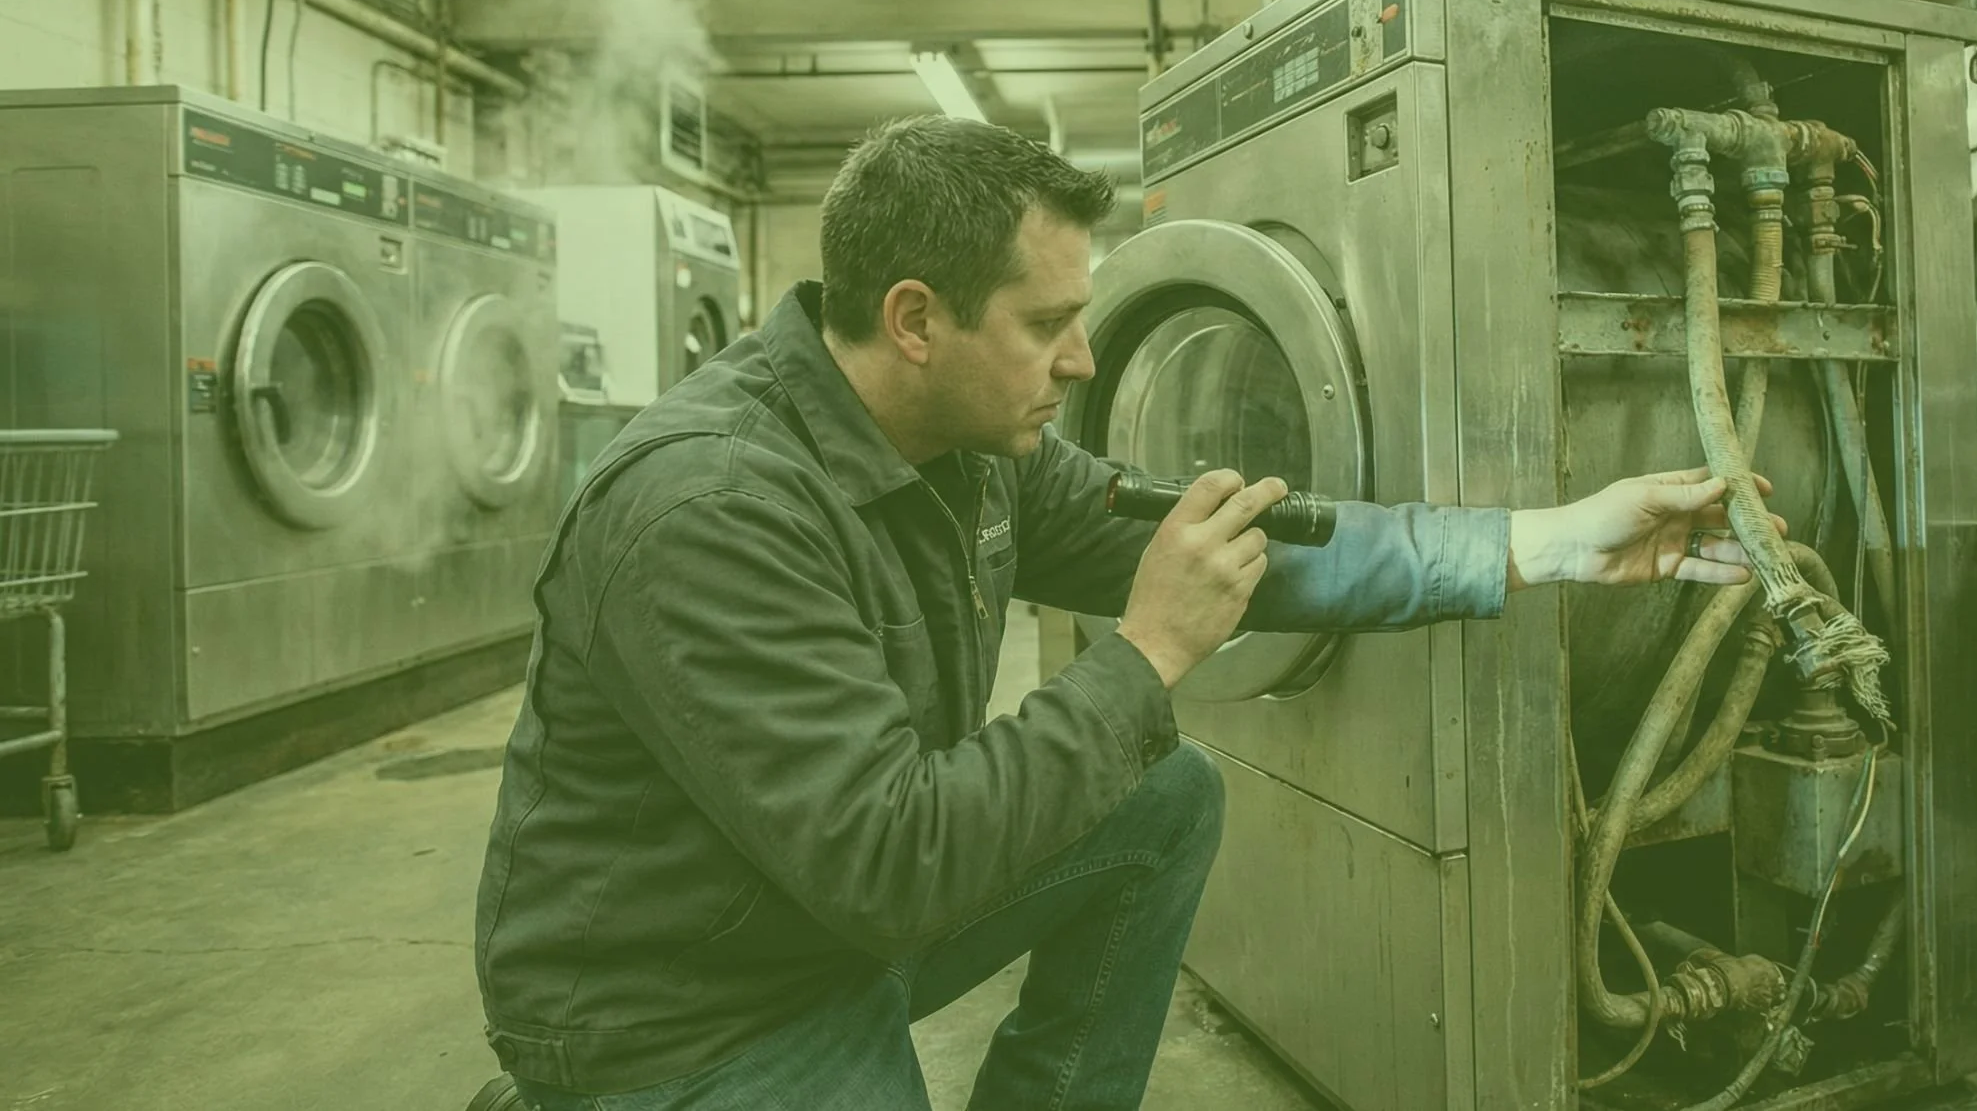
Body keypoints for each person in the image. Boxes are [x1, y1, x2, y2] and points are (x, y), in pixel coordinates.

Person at [473, 116, 1773, 1111]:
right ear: (915, 320)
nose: (1084, 361)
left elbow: (1251, 554)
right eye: (1049, 325)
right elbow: (886, 866)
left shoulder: (972, 452)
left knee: (1163, 798)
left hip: (808, 918)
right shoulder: (711, 509)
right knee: (1114, 750)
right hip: (682, 1003)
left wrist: (1548, 541)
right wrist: (1149, 651)